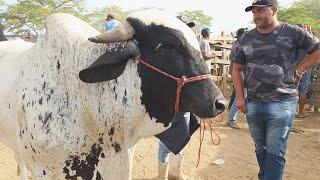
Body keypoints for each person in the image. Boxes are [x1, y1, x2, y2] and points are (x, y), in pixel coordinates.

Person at [232, 0, 320, 180]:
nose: (256, 15)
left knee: (275, 150)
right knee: (260, 148)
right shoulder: (246, 38)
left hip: (282, 103)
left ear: (274, 10)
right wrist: (240, 97)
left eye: (260, 11)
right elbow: (236, 68)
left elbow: (317, 49)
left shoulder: (292, 32)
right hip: (254, 103)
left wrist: (300, 69)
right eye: (254, 12)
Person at [157, 17, 196, 180]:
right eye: (184, 27)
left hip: (185, 104)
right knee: (166, 143)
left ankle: (175, 173)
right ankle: (162, 177)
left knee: (181, 137)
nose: (188, 30)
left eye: (189, 27)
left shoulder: (192, 52)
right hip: (169, 106)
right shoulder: (164, 52)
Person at [227, 27, 248, 129]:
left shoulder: (236, 43)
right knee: (241, 95)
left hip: (238, 72)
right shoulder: (241, 44)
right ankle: (231, 119)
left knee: (239, 94)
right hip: (241, 73)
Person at [295, 24, 314, 118]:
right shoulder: (306, 42)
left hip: (292, 68)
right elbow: (315, 44)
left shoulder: (292, 41)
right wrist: (309, 32)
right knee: (303, 90)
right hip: (305, 68)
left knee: (291, 90)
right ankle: (300, 112)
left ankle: (290, 111)